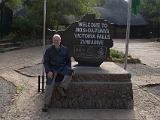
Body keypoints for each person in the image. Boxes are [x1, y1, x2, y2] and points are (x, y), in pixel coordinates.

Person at [42, 34, 73, 112]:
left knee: (70, 71)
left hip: (62, 68)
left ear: (60, 40)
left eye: (57, 40)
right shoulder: (49, 50)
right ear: (52, 41)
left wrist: (68, 68)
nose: (56, 41)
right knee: (49, 84)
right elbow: (45, 62)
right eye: (54, 40)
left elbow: (68, 61)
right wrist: (48, 71)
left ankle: (61, 86)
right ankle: (46, 104)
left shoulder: (65, 49)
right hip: (52, 69)